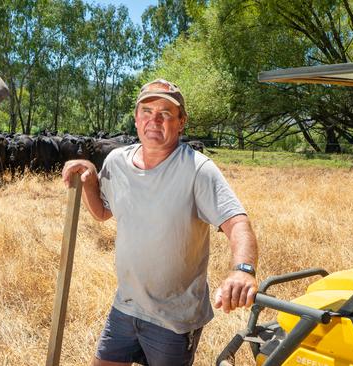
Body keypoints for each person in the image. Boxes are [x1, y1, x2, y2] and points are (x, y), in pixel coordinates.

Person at [62, 79, 258, 366]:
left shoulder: (197, 169)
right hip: (126, 305)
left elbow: (237, 223)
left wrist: (243, 270)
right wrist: (91, 179)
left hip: (174, 319)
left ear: (181, 122)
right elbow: (104, 213)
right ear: (136, 118)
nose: (154, 120)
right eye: (147, 111)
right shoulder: (117, 161)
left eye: (165, 113)